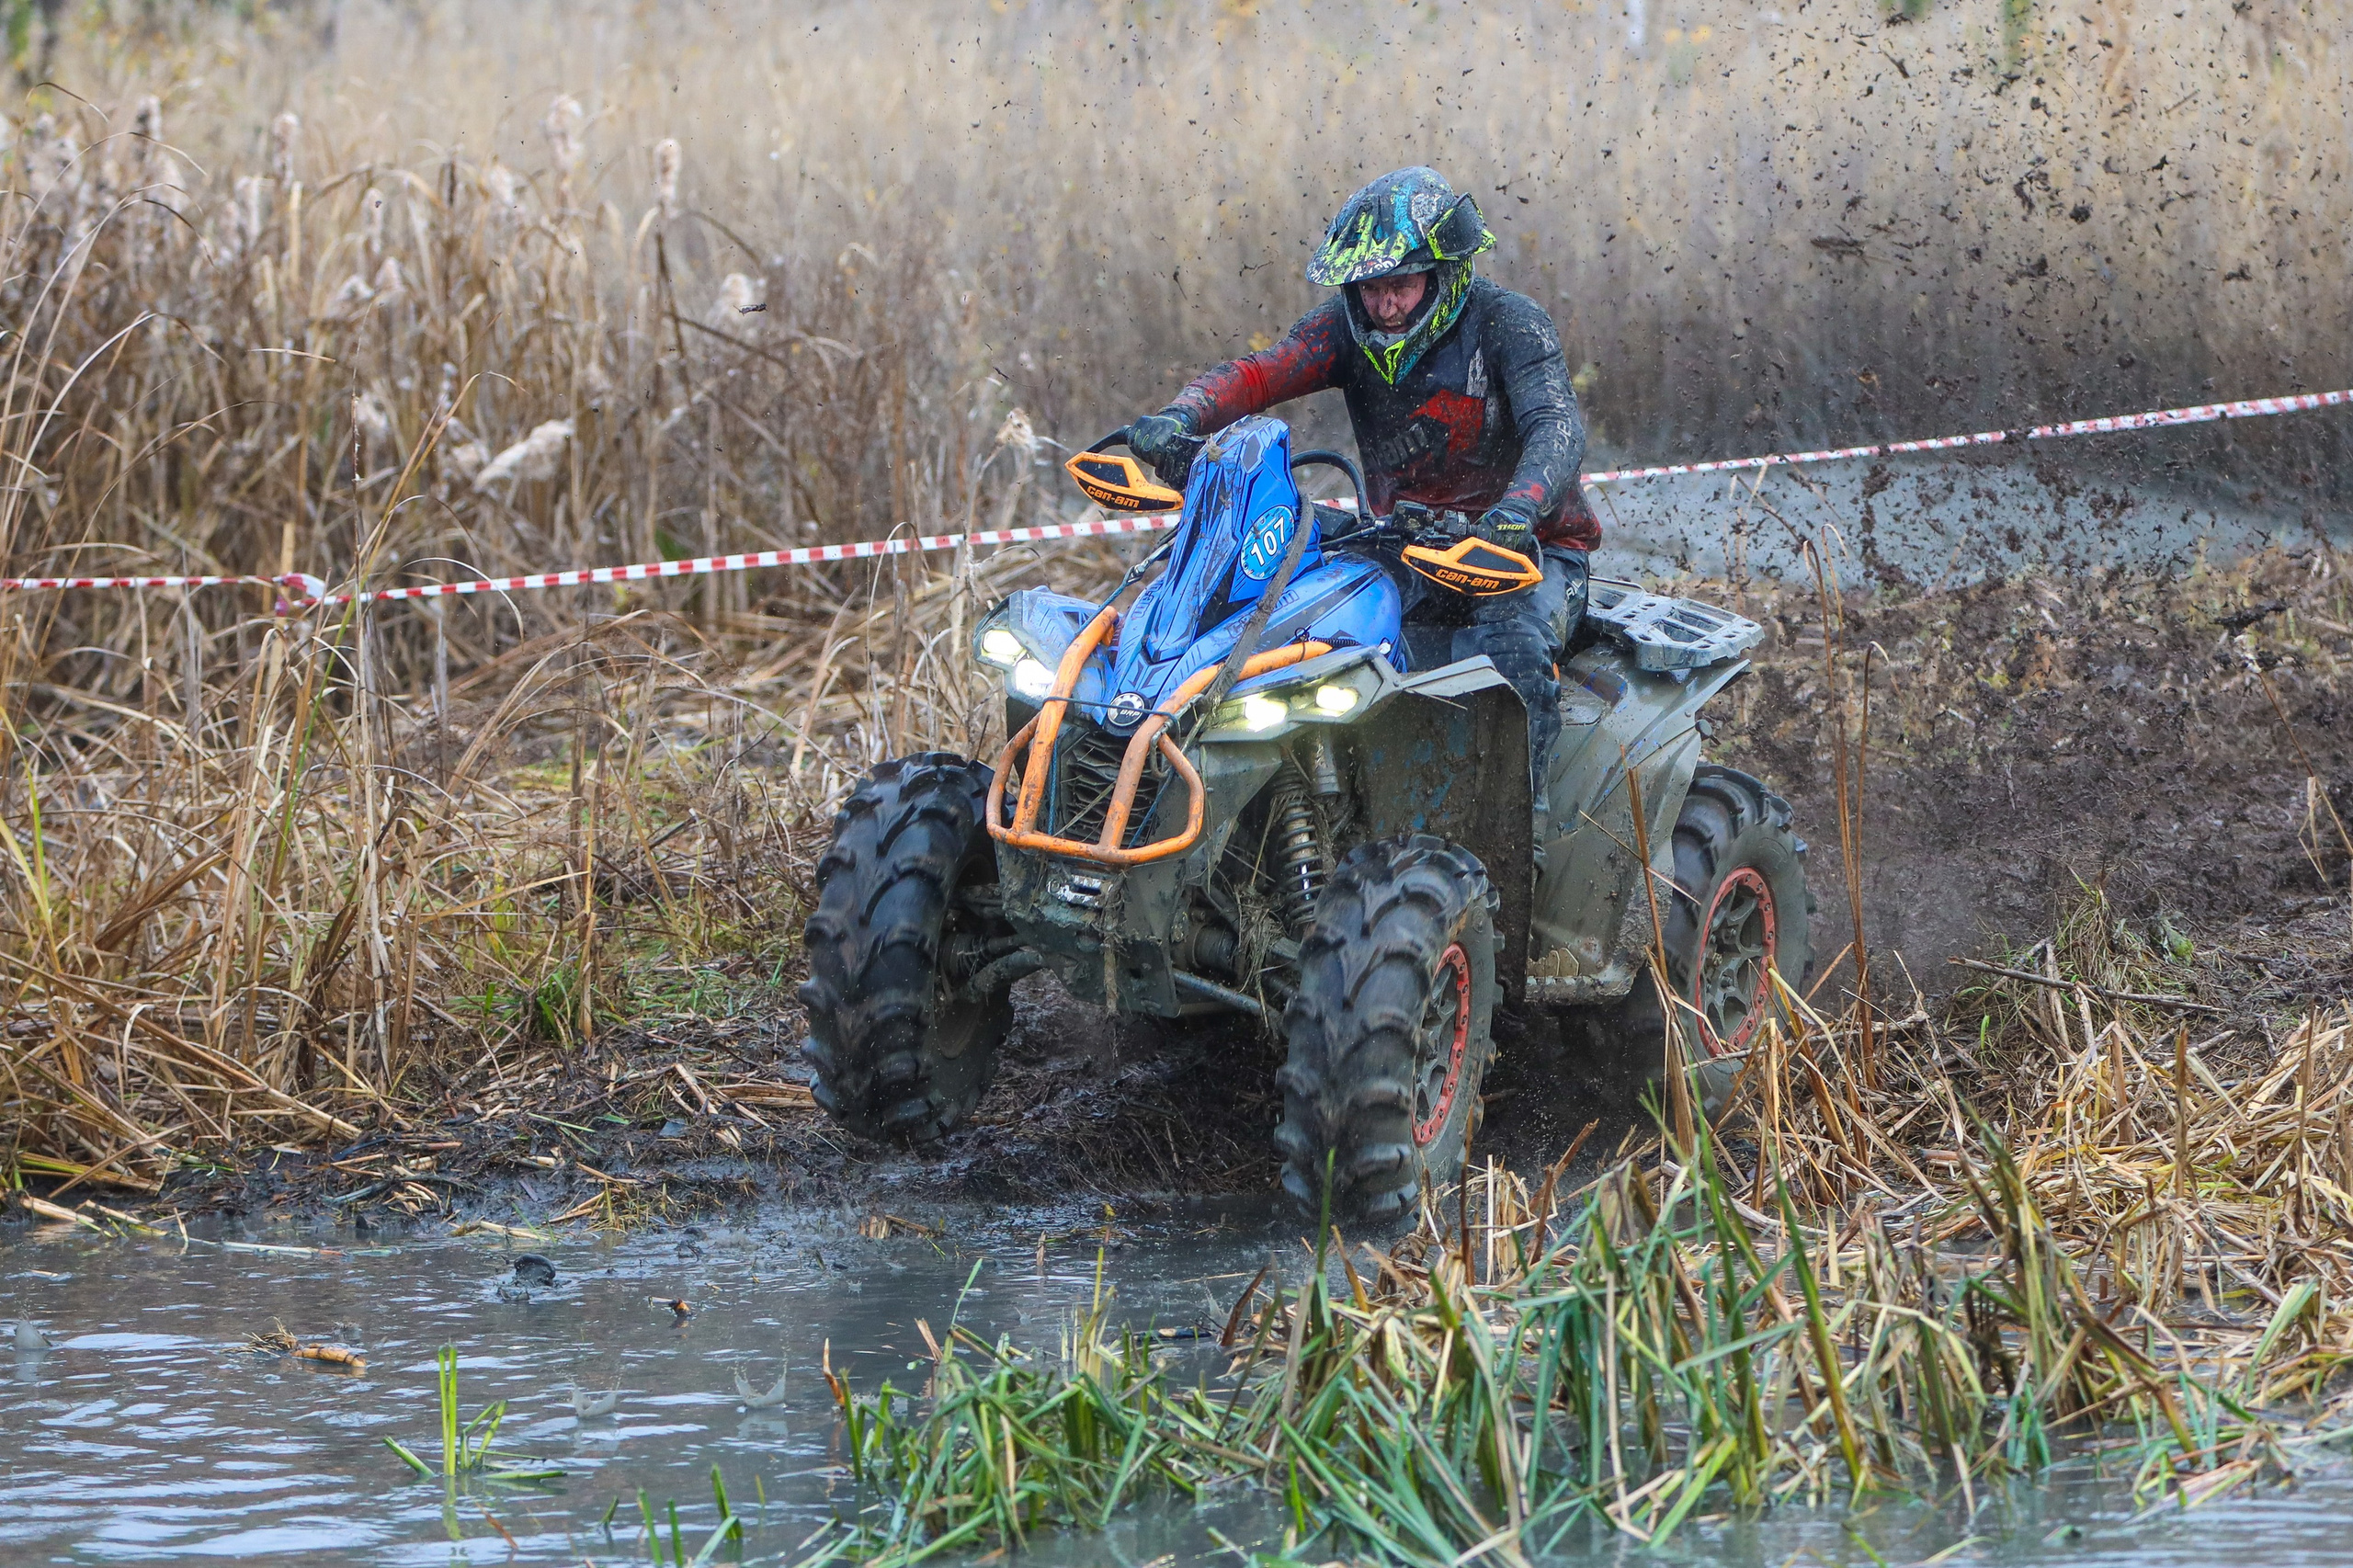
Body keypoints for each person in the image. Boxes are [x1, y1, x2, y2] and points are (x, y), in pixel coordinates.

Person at [1128, 166, 1595, 836]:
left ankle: (1523, 838)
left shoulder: (1509, 324)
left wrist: (1517, 511)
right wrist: (1182, 415)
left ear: (1444, 272)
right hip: (1405, 541)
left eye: (1401, 285)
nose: (1387, 306)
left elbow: (1556, 427)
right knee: (1289, 614)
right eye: (1371, 288)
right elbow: (1261, 373)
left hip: (1528, 551)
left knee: (1513, 652)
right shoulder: (1345, 331)